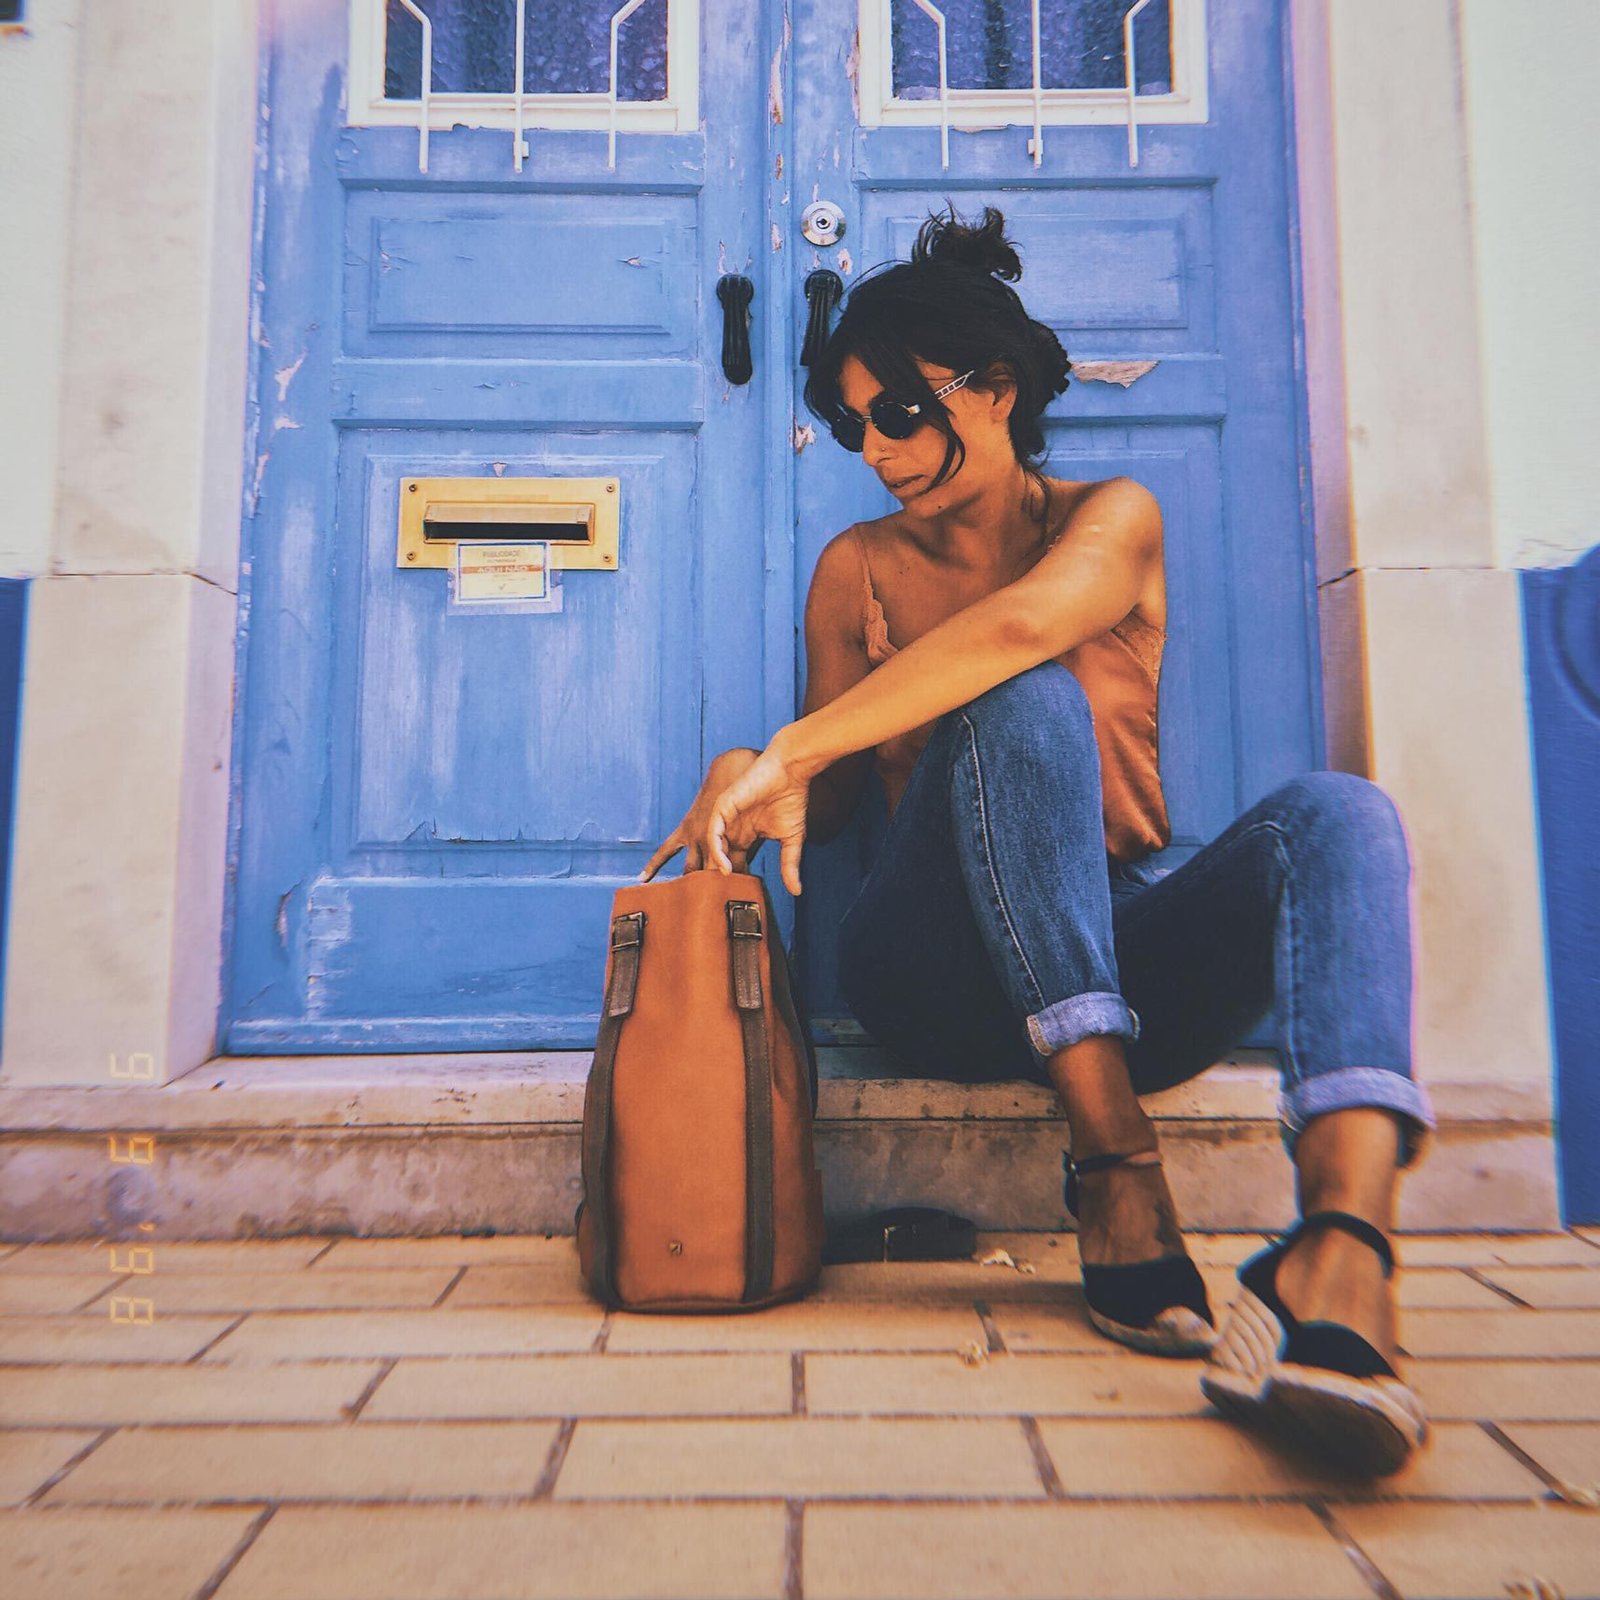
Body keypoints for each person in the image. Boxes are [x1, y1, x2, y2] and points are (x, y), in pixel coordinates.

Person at [639, 203, 1435, 1477]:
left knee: (1341, 815)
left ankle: (1341, 1252)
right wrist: (759, 767)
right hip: (932, 972)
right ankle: (1116, 1169)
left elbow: (1020, 631)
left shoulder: (1108, 521)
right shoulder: (856, 569)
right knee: (1014, 704)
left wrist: (795, 746)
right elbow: (827, 806)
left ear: (995, 389)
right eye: (853, 424)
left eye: (902, 413)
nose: (878, 450)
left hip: (1115, 963)